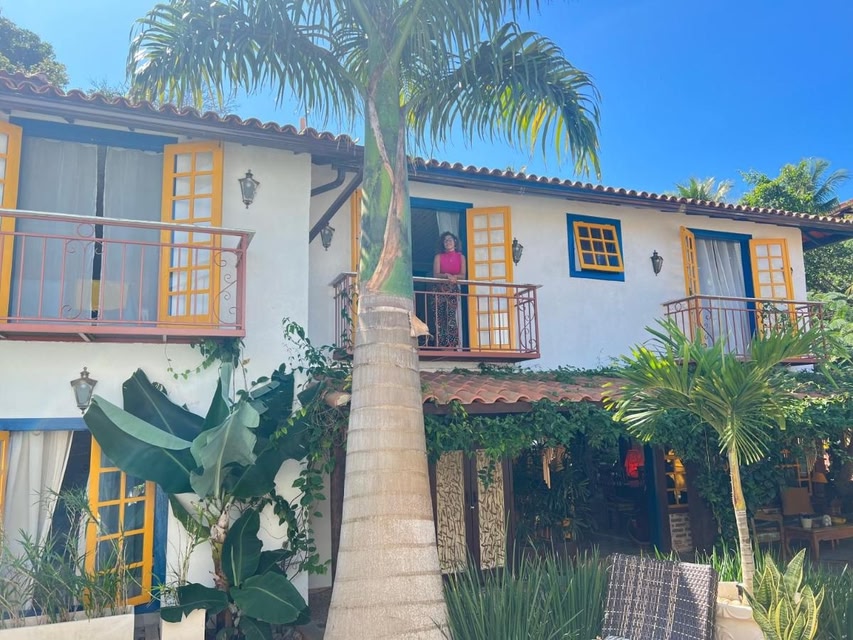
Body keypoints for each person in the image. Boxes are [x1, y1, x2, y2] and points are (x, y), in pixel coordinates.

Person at [432, 231, 466, 348]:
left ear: (455, 242)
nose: (447, 242)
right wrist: (446, 275)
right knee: (440, 317)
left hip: (452, 289)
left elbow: (463, 275)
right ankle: (441, 345)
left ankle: (452, 345)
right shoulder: (438, 257)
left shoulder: (461, 257)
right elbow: (436, 274)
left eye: (450, 240)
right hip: (439, 289)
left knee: (451, 317)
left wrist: (455, 277)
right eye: (445, 240)